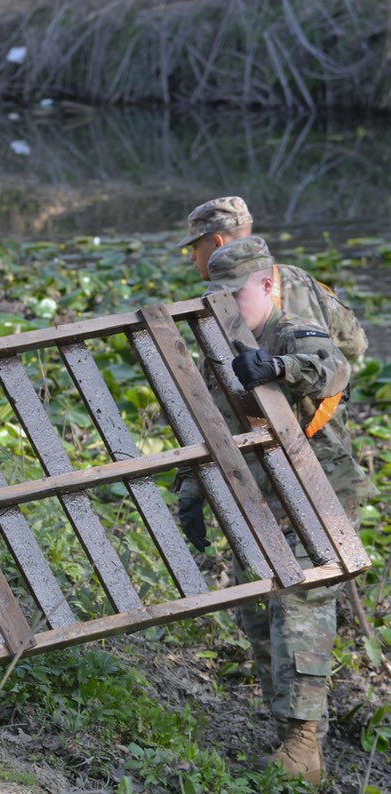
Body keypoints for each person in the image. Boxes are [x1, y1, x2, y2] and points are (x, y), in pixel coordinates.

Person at [178, 237, 376, 784]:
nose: (224, 305)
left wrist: (279, 367)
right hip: (258, 496)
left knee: (300, 604)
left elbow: (333, 367)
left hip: (318, 494)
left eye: (235, 293)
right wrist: (191, 493)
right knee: (258, 614)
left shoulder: (292, 331)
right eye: (216, 294)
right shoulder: (219, 341)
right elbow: (210, 421)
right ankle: (287, 732)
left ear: (266, 285)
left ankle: (303, 743)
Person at [179, 196, 367, 359]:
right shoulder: (302, 279)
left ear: (217, 243)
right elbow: (355, 345)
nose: (192, 256)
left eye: (195, 247)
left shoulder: (219, 299)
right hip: (323, 396)